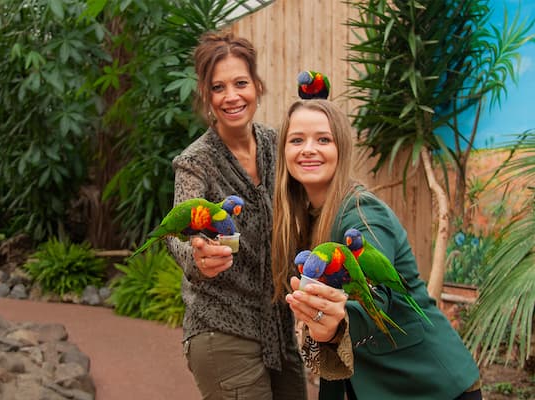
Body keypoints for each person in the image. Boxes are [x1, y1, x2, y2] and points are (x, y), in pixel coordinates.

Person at [271, 98, 482, 400]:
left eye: (323, 139)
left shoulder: (362, 213)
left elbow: (377, 294)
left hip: (430, 384)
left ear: (340, 149)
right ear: (284, 152)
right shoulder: (307, 216)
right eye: (296, 140)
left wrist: (337, 322)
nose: (308, 148)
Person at [165, 31, 307, 400]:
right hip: (221, 331)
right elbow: (175, 234)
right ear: (207, 96)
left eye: (240, 83)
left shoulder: (278, 146)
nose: (231, 96)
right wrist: (196, 255)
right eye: (218, 87)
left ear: (257, 85)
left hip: (277, 328)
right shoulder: (196, 163)